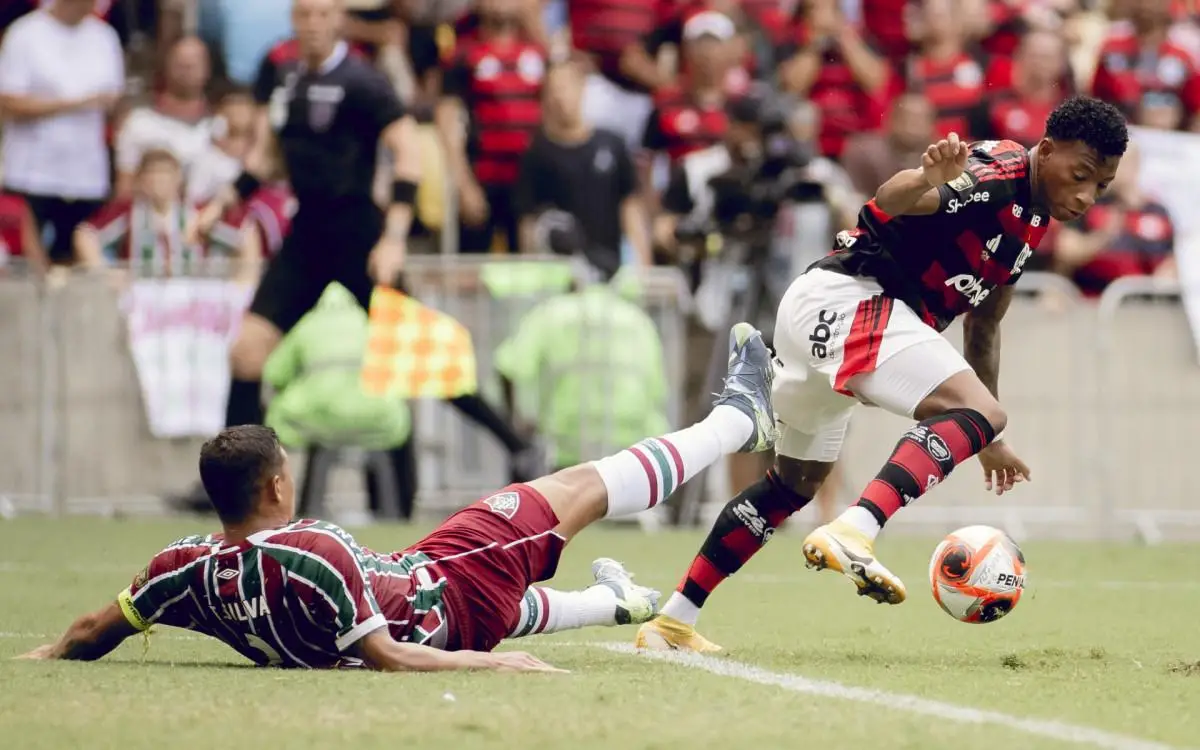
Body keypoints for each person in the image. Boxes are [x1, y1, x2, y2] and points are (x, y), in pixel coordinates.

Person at [636, 95, 1128, 653]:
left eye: (1101, 187)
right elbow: (887, 204)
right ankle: (856, 529)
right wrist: (925, 177)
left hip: (825, 311)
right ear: (1047, 150)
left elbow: (985, 326)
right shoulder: (997, 177)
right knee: (978, 414)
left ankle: (672, 621)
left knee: (792, 484)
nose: (1086, 196)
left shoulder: (1034, 215)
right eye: (1081, 176)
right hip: (852, 299)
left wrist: (989, 434)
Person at [19, 321, 777, 672]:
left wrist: (50, 651)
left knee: (462, 587)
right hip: (449, 591)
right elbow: (387, 655)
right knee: (581, 486)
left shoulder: (181, 568)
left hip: (426, 588)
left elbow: (97, 627)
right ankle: (738, 417)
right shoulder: (309, 549)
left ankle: (624, 604)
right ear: (279, 484)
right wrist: (491, 668)